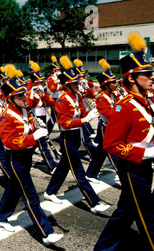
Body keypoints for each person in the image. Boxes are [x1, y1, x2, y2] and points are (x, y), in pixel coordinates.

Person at [92, 33, 154, 251]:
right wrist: (148, 153)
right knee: (150, 221)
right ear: (131, 79)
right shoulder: (124, 106)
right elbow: (111, 145)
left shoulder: (145, 101)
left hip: (144, 165)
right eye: (146, 74)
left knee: (126, 211)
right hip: (133, 167)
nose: (152, 77)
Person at [0, 66, 63, 244]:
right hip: (15, 159)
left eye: (24, 95)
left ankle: (1, 217)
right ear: (10, 98)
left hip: (26, 156)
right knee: (30, 195)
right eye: (19, 96)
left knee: (13, 189)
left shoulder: (24, 110)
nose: (23, 98)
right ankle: (46, 233)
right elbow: (9, 142)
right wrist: (34, 136)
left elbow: (27, 128)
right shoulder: (5, 116)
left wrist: (36, 125)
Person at [43, 56, 110, 214]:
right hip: (67, 139)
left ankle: (49, 192)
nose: (77, 85)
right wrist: (84, 120)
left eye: (77, 82)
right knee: (79, 173)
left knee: (63, 167)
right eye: (74, 83)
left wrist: (93, 112)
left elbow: (84, 111)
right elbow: (64, 123)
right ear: (67, 85)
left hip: (76, 136)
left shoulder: (78, 96)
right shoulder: (62, 100)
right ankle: (94, 203)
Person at [85, 59, 122, 184]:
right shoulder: (101, 98)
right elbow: (110, 114)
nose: (116, 84)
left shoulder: (113, 95)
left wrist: (121, 101)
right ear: (106, 85)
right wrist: (120, 105)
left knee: (100, 152)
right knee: (112, 151)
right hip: (105, 127)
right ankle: (123, 176)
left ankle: (90, 174)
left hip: (113, 127)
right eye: (113, 83)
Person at [26, 62, 59, 172]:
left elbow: (51, 103)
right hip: (34, 119)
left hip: (43, 118)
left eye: (42, 82)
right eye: (39, 82)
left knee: (36, 143)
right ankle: (52, 166)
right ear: (35, 82)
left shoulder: (42, 92)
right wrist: (32, 94)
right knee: (43, 144)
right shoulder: (29, 93)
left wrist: (43, 95)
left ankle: (26, 160)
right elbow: (27, 107)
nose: (41, 84)